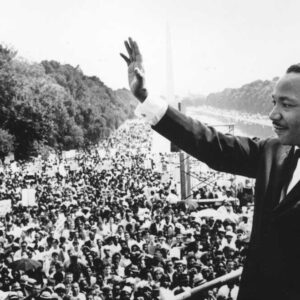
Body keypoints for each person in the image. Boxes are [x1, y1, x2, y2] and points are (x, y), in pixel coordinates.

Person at [120, 37, 300, 300]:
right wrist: (145, 98)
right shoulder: (273, 151)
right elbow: (212, 145)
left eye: (286, 104)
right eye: (273, 102)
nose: (272, 114)